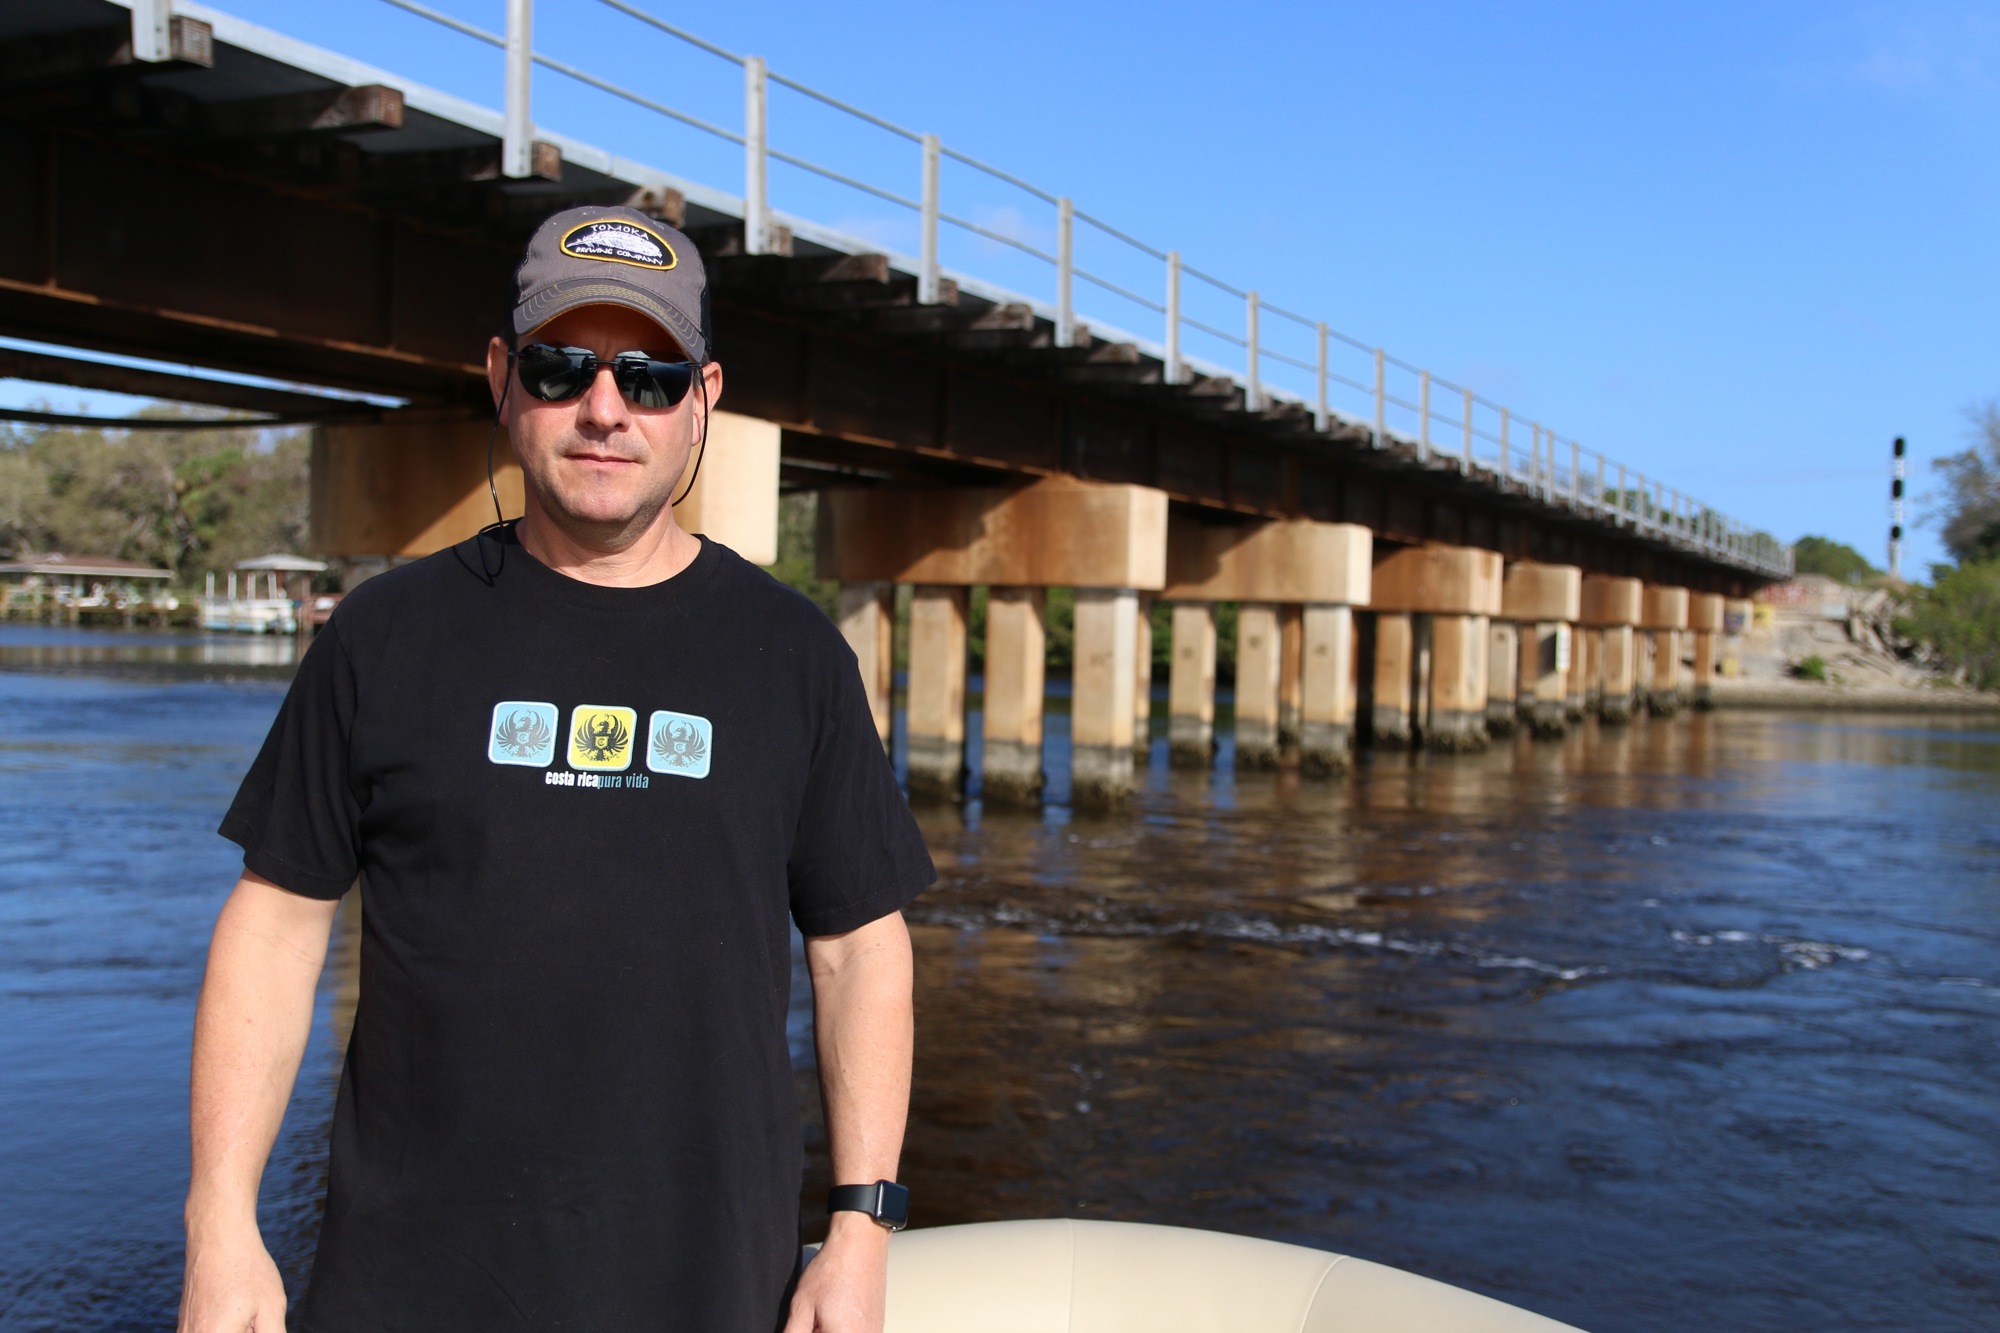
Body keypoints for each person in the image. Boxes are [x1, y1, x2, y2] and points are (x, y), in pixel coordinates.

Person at [178, 205, 934, 1333]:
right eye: (559, 366)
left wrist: (861, 1226)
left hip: (708, 1288)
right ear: (500, 376)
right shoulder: (381, 636)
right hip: (409, 1288)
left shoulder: (794, 657)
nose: (603, 408)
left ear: (704, 400)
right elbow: (279, 924)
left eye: (650, 376)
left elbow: (858, 953)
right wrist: (220, 1224)